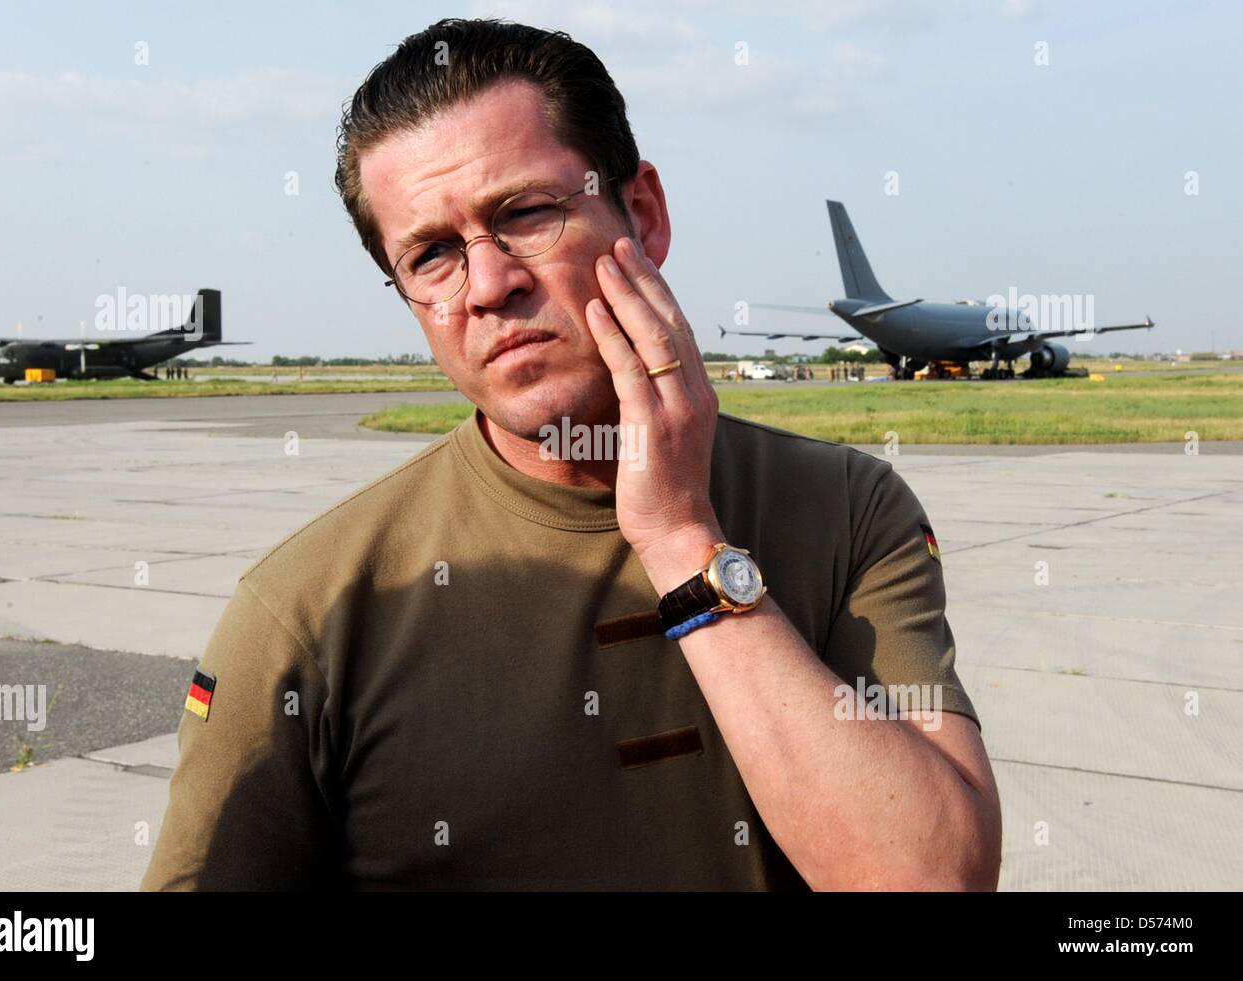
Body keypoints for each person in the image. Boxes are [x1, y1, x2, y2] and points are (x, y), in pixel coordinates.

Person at [141, 17, 999, 892]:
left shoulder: (848, 511)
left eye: (525, 213)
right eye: (432, 255)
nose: (487, 285)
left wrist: (683, 540)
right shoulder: (307, 610)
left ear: (646, 214)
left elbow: (931, 880)